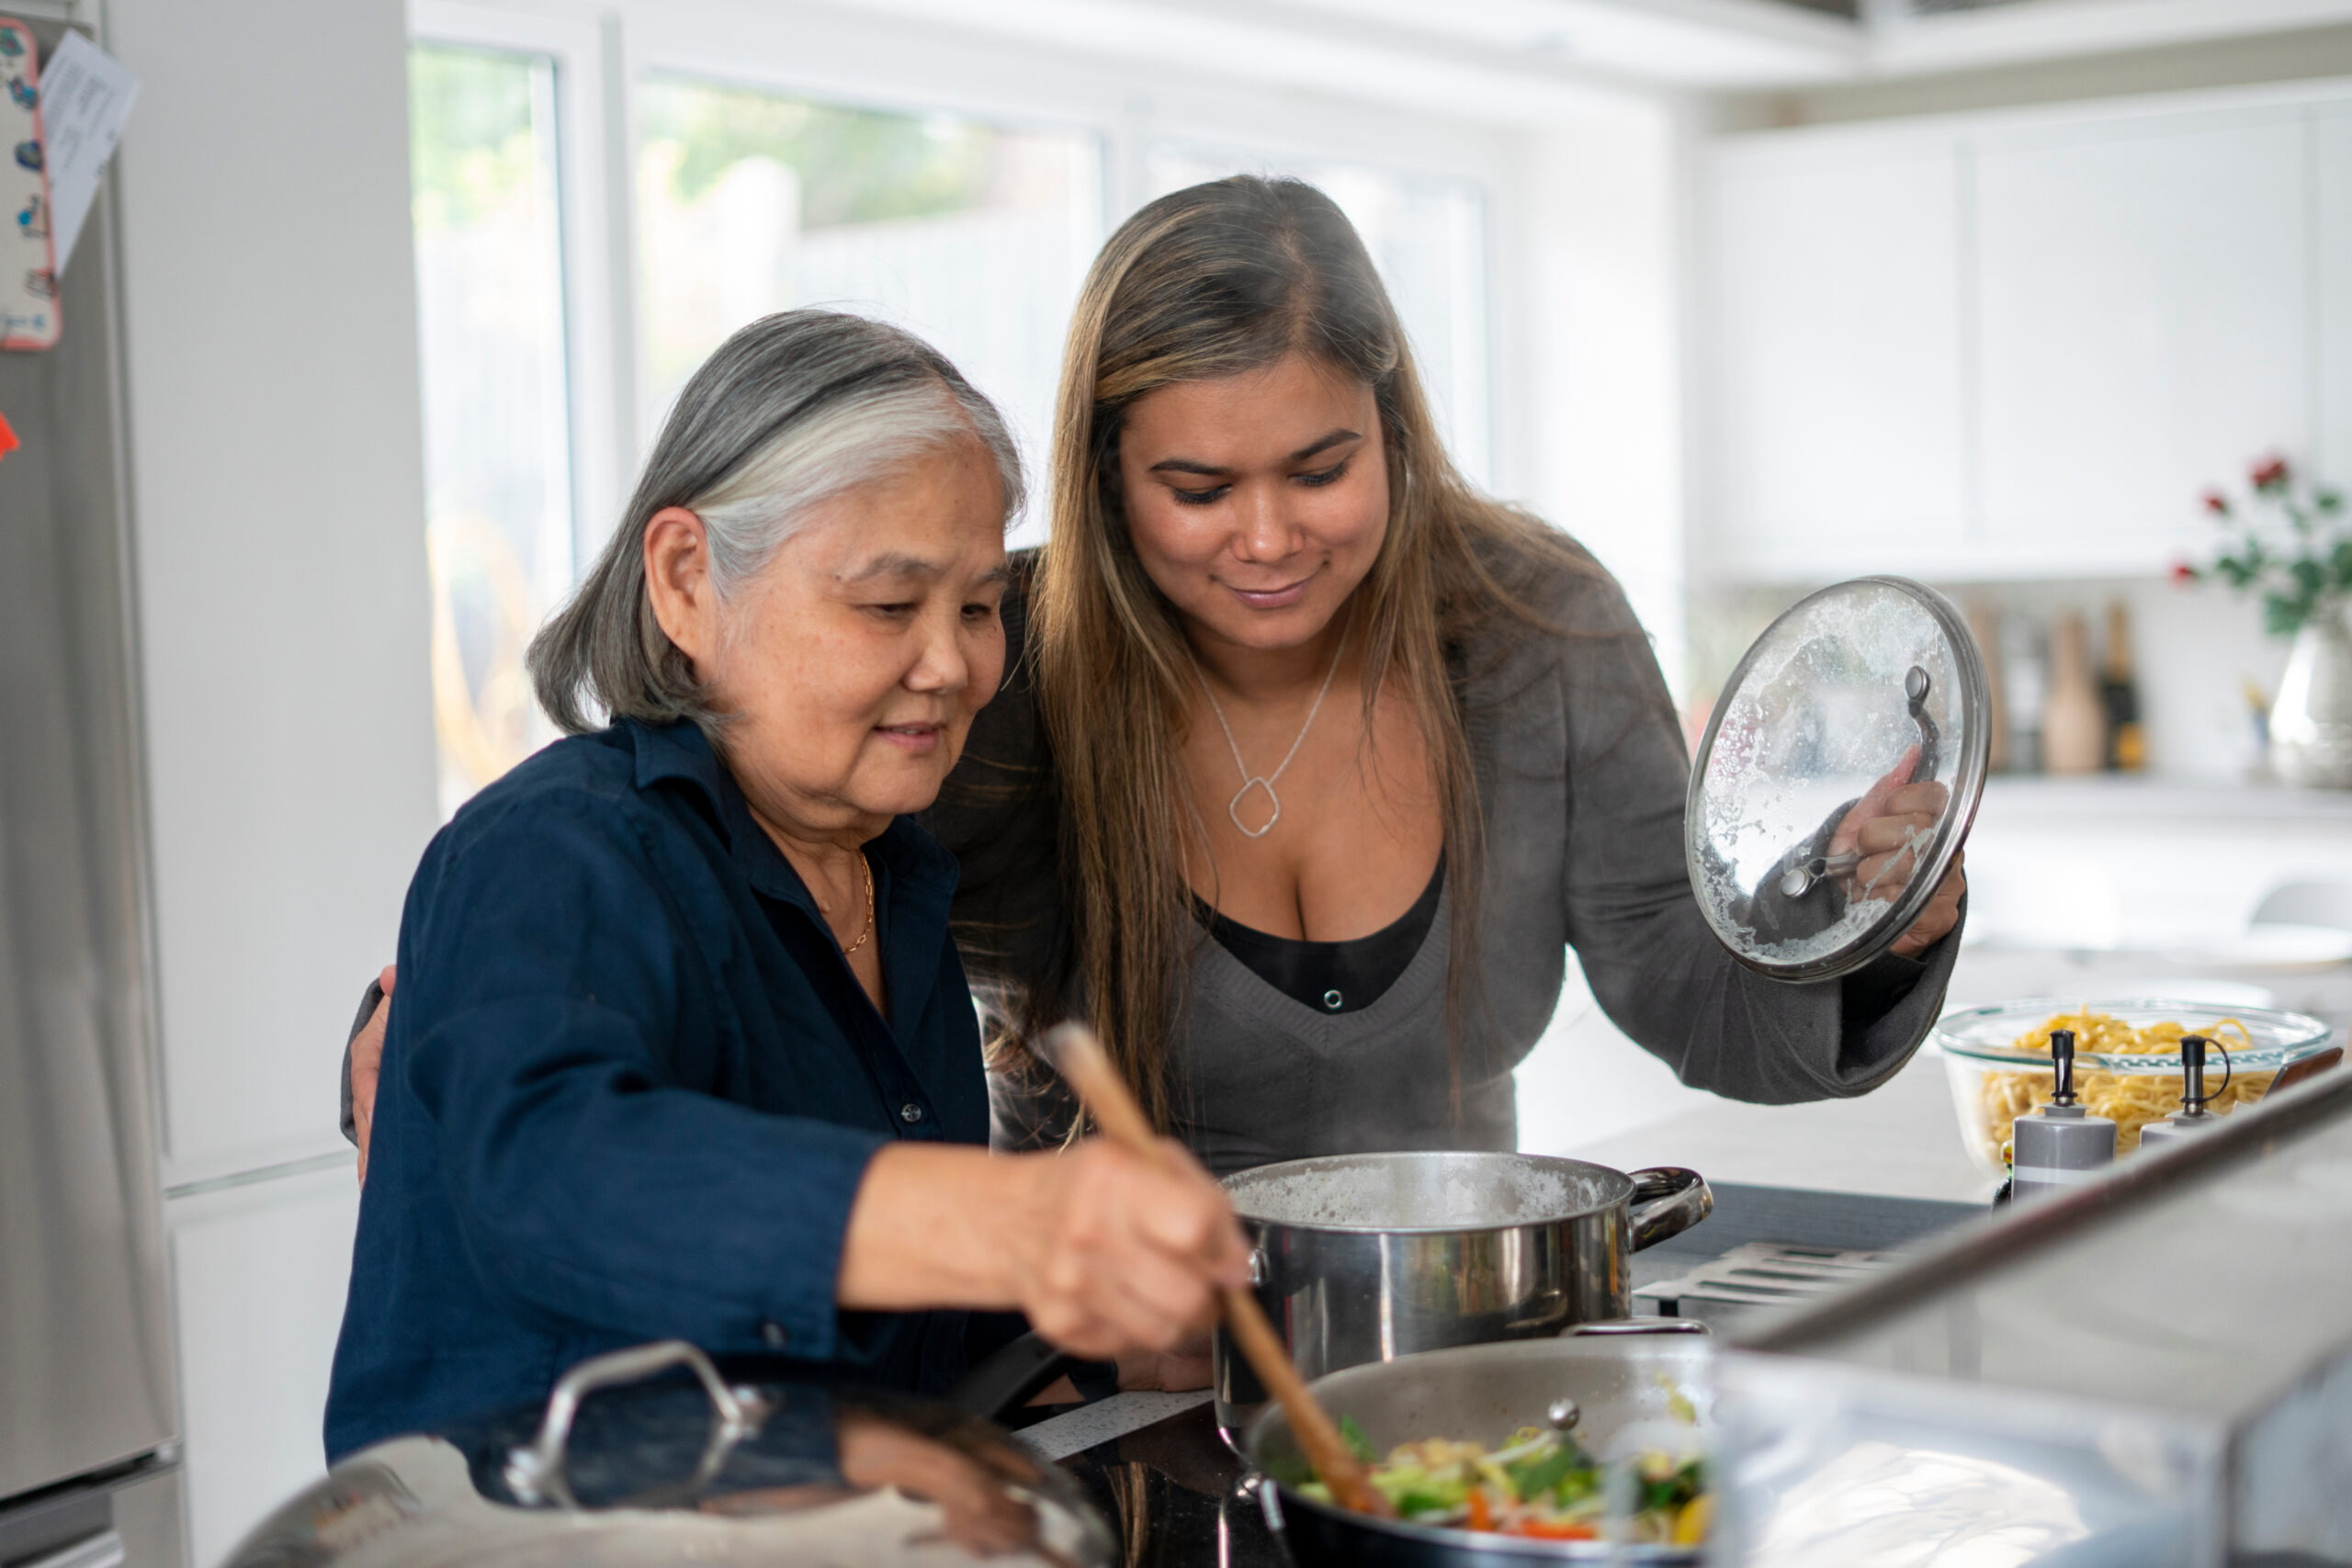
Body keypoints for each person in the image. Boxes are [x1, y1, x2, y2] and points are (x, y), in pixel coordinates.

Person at [323, 311, 1249, 1461]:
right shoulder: (550, 851)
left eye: (975, 607)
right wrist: (1008, 1220)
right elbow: (566, 1174)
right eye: (885, 605)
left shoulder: (894, 878)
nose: (952, 666)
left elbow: (897, 1352)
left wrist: (1130, 1344)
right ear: (685, 580)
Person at [932, 174, 1966, 1178]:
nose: (1265, 539)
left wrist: (1854, 931)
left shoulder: (1538, 622)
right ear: (1107, 475)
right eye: (1198, 489)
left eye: (1319, 473)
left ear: (1390, 429)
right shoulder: (991, 659)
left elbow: (1679, 973)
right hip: (1101, 1350)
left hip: (1458, 1320)